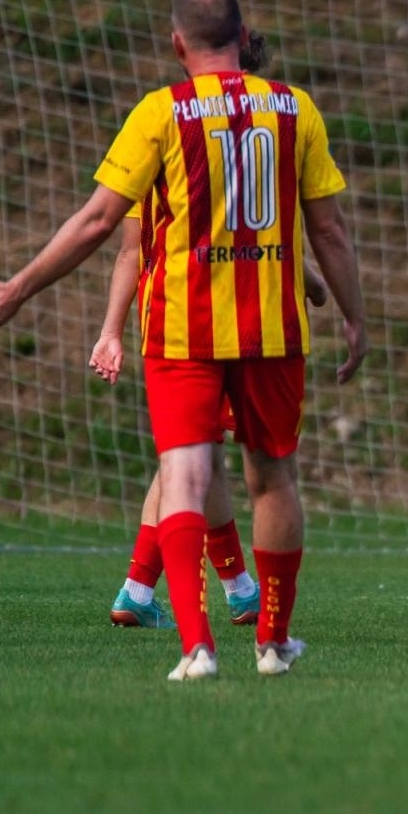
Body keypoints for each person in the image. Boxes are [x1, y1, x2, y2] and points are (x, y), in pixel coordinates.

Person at [0, 0, 368, 678]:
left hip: (183, 328)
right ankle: (273, 641)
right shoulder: (294, 108)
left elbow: (100, 224)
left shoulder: (161, 113)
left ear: (177, 44)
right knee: (273, 477)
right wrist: (353, 313)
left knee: (184, 475)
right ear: (243, 36)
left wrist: (14, 290)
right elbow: (329, 229)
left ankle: (197, 647)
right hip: (273, 329)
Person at [95, 193, 329, 629]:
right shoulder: (210, 159)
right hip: (220, 320)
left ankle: (233, 590)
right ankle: (147, 591)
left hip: (168, 320)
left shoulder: (147, 165)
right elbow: (251, 234)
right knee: (198, 457)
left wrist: (111, 330)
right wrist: (314, 282)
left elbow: (131, 250)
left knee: (199, 453)